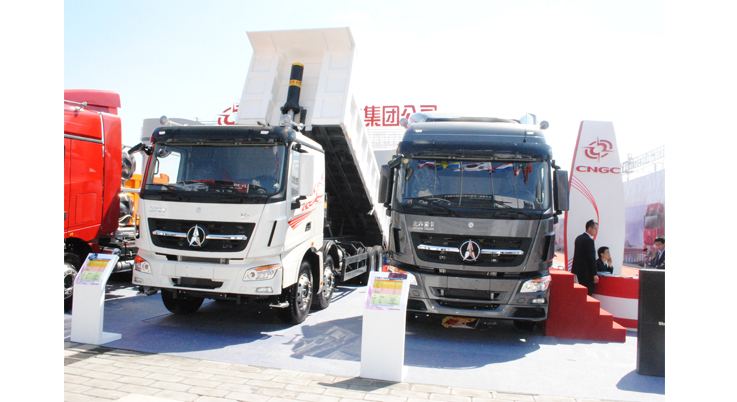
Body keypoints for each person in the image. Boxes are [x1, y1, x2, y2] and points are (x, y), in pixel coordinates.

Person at [571, 219, 599, 296]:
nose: (596, 231)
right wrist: (594, 274)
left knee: (579, 294)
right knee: (587, 294)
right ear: (589, 228)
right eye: (595, 228)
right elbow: (591, 258)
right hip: (587, 274)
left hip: (578, 272)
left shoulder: (579, 238)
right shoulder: (589, 241)